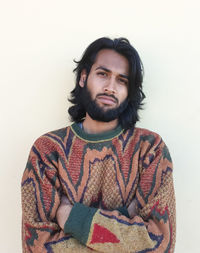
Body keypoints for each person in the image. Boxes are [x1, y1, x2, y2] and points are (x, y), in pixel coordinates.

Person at [21, 37, 176, 253]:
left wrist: (72, 218)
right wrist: (126, 218)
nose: (111, 88)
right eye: (103, 74)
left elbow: (160, 244)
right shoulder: (48, 151)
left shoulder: (150, 150)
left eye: (122, 80)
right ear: (84, 77)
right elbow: (37, 246)